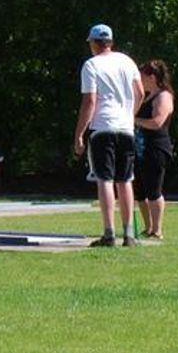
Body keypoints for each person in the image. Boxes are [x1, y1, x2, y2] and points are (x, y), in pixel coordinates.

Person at [72, 24, 141, 247]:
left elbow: (90, 101)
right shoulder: (127, 61)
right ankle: (129, 234)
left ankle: (109, 233)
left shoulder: (91, 65)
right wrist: (129, 115)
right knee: (126, 179)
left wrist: (79, 134)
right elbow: (140, 93)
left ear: (94, 43)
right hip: (125, 128)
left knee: (105, 179)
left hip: (103, 127)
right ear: (110, 42)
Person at [134, 59, 175, 243]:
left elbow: (157, 122)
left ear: (152, 77)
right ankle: (148, 227)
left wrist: (134, 120)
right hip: (140, 148)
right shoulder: (147, 96)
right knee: (140, 191)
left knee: (154, 189)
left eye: (142, 76)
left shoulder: (164, 96)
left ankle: (157, 230)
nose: (139, 80)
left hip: (156, 148)